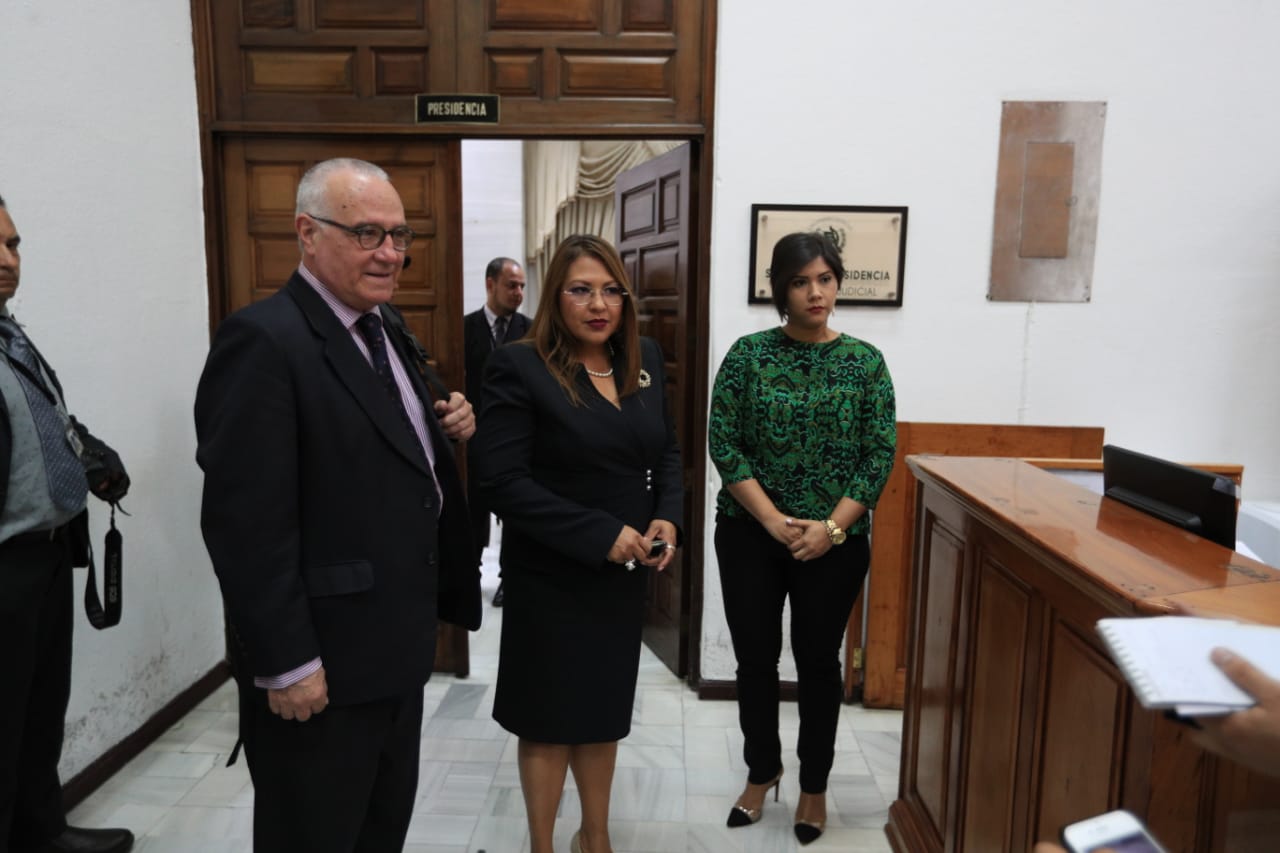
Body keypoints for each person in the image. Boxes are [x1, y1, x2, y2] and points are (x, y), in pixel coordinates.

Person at [194, 158, 481, 852]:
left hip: (393, 647)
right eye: (367, 234)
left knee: (378, 830)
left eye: (398, 234)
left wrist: (449, 417)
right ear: (307, 233)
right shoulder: (265, 341)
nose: (390, 253)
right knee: (314, 834)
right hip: (323, 663)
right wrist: (288, 662)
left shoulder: (384, 325)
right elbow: (245, 523)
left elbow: (384, 430)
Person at [472, 234, 681, 853]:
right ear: (553, 297)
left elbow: (665, 449)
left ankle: (596, 837)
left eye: (611, 290)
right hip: (551, 574)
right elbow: (500, 482)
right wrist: (599, 535)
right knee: (547, 719)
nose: (599, 304)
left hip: (619, 577)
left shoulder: (641, 356)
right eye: (581, 290)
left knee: (600, 713)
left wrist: (665, 516)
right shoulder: (519, 365)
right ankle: (542, 845)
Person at [708, 231, 896, 845]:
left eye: (824, 278)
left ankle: (814, 785)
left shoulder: (866, 362)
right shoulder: (747, 354)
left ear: (838, 282)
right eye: (799, 281)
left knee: (818, 664)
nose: (815, 292)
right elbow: (724, 442)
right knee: (755, 661)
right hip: (750, 533)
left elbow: (878, 453)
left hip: (834, 543)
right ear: (779, 290)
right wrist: (770, 520)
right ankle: (763, 773)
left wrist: (833, 528)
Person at [0, 194, 133, 853]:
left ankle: (41, 833)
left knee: (37, 713)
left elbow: (50, 420)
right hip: (5, 565)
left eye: (14, 245)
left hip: (46, 558)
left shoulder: (13, 336)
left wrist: (93, 459)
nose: (7, 261)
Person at [463, 257, 530, 606]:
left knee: (517, 515)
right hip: (472, 441)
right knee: (472, 514)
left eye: (521, 286)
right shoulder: (463, 329)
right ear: (490, 284)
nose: (518, 292)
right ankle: (469, 578)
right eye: (511, 285)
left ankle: (509, 580)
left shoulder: (531, 331)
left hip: (517, 443)